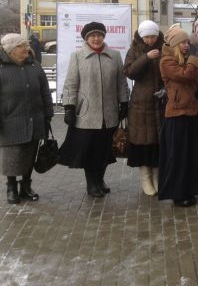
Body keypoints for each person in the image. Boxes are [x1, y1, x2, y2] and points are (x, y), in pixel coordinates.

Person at [59, 22, 129, 198]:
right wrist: (69, 106)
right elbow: (71, 84)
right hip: (87, 114)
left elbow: (121, 82)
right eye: (92, 36)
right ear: (86, 38)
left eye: (99, 35)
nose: (96, 39)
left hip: (109, 113)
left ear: (104, 37)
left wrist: (124, 103)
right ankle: (92, 184)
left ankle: (100, 179)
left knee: (105, 150)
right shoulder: (78, 56)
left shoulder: (114, 56)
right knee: (90, 152)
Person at [158, 26, 198, 207]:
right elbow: (186, 75)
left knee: (193, 155)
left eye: (187, 42)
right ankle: (178, 193)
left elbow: (194, 85)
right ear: (174, 44)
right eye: (182, 42)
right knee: (178, 157)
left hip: (193, 112)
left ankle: (191, 188)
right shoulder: (166, 61)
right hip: (177, 114)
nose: (186, 46)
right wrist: (194, 61)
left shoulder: (188, 60)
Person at [0, 34, 53, 204]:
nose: (26, 48)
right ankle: (11, 188)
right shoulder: (1, 68)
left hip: (35, 119)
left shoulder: (35, 66)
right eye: (21, 46)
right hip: (10, 121)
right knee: (13, 156)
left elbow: (45, 91)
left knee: (30, 155)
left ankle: (26, 187)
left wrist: (48, 114)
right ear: (10, 50)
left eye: (26, 45)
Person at [123, 20, 164, 196]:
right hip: (141, 102)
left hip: (161, 101)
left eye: (153, 36)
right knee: (143, 142)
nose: (150, 40)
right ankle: (145, 178)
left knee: (158, 142)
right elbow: (130, 71)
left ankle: (157, 177)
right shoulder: (134, 50)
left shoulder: (164, 47)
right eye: (147, 37)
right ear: (141, 36)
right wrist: (146, 58)